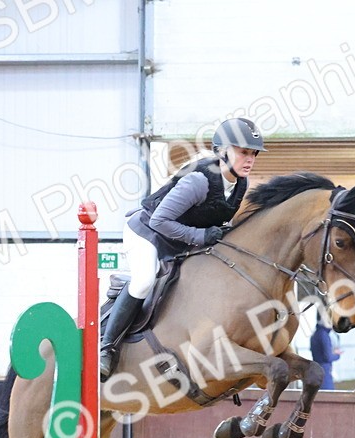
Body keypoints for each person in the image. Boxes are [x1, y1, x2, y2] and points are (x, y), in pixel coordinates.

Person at [99, 117, 267, 380]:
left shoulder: (240, 184)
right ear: (222, 151)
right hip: (147, 233)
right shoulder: (198, 181)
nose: (250, 159)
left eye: (253, 154)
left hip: (179, 237)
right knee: (144, 281)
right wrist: (201, 236)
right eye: (243, 152)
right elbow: (159, 221)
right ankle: (106, 347)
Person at [309, 319, 341, 390]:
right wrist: (337, 355)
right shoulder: (324, 335)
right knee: (328, 394)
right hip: (325, 370)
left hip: (316, 369)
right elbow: (328, 357)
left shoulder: (315, 334)